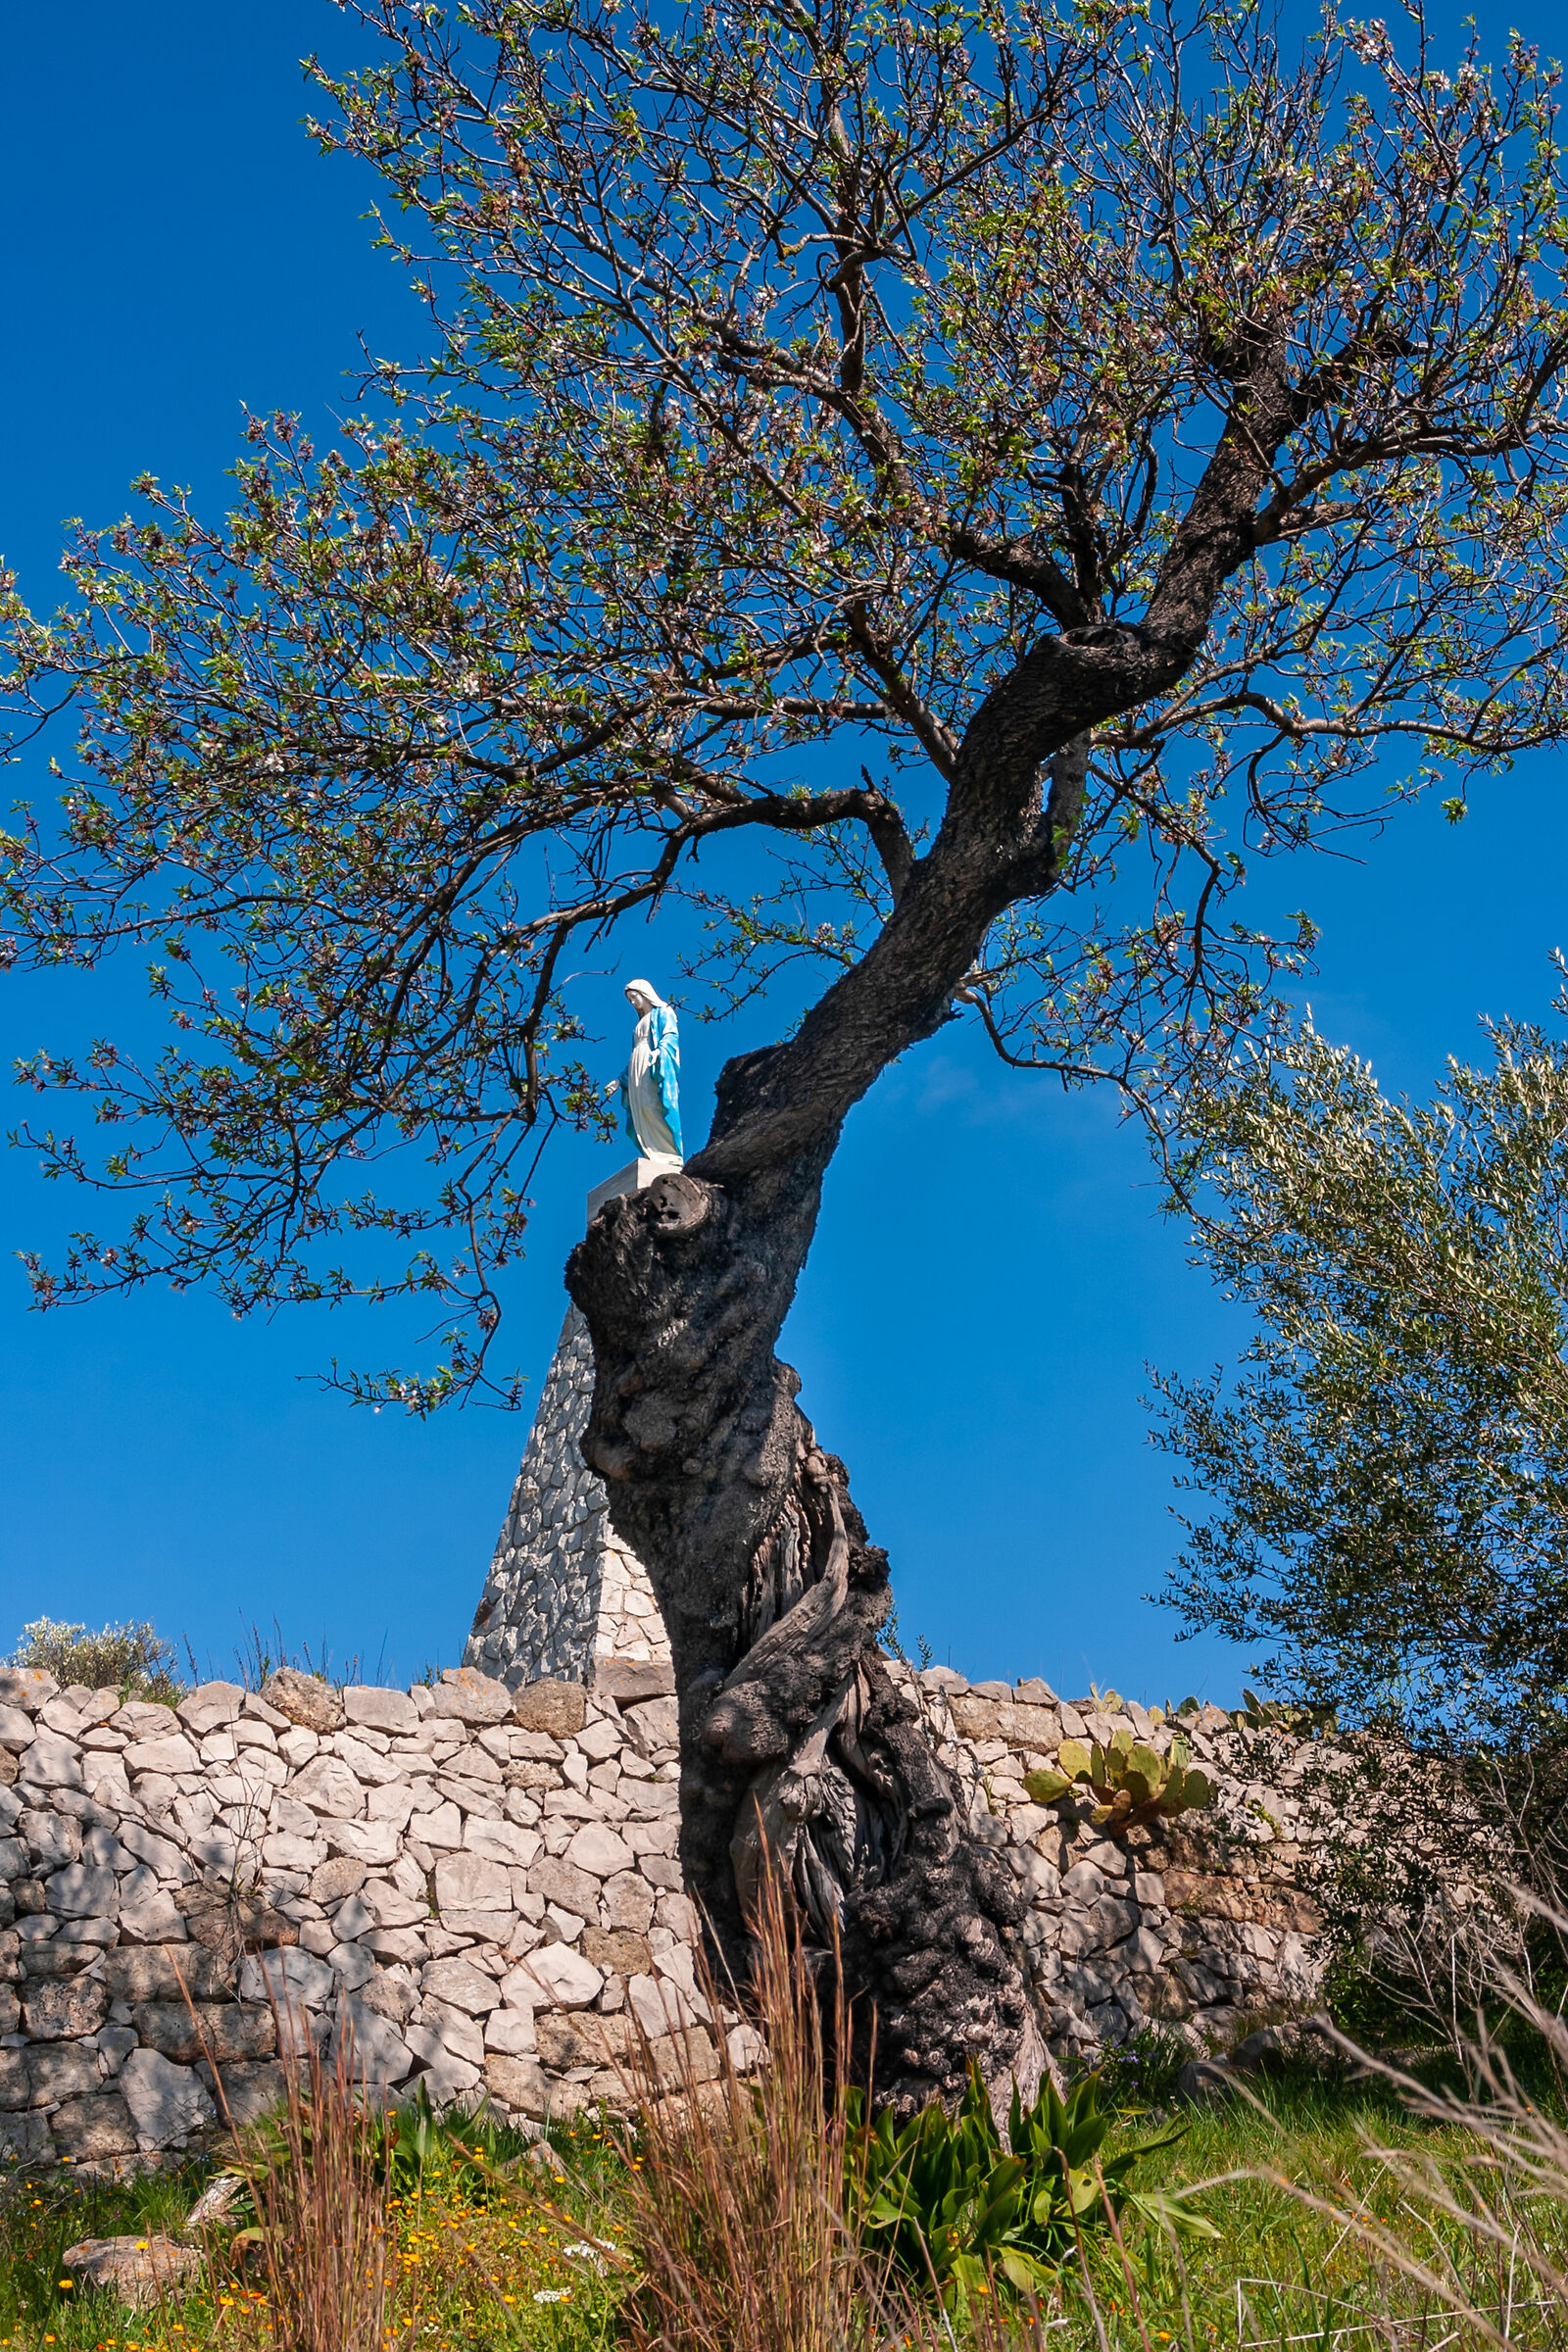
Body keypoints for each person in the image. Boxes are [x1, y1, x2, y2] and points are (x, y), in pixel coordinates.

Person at [608, 978, 682, 1161]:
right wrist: (619, 1080)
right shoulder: (639, 1023)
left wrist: (660, 1051)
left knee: (651, 1104)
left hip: (652, 1060)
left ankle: (667, 1154)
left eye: (634, 997)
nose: (633, 1002)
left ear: (644, 993)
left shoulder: (663, 1012)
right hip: (637, 1062)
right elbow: (635, 1050)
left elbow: (671, 1035)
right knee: (639, 1108)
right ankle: (651, 1152)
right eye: (630, 1000)